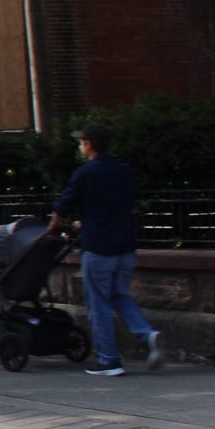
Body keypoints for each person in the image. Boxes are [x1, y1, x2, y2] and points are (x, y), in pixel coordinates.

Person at [45, 123, 163, 377]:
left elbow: (61, 208)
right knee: (121, 295)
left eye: (81, 142)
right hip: (125, 246)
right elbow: (114, 206)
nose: (79, 146)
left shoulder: (85, 173)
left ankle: (110, 360)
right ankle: (146, 333)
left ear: (88, 144)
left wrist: (54, 228)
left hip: (99, 248)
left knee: (99, 304)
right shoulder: (124, 171)